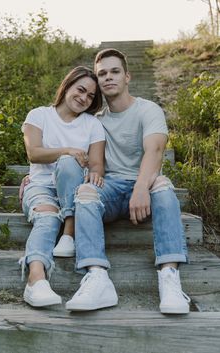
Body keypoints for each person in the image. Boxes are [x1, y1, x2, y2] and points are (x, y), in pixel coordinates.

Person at [64, 49, 190, 314]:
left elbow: (154, 151)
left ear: (127, 76)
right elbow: (69, 151)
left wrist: (141, 188)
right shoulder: (94, 121)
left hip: (144, 185)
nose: (108, 77)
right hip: (110, 190)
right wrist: (34, 174)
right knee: (86, 191)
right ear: (97, 82)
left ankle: (169, 277)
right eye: (102, 74)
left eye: (114, 71)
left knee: (164, 187)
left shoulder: (148, 109)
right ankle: (97, 276)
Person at [20, 66, 105, 307]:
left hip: (76, 191)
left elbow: (97, 165)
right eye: (80, 90)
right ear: (67, 85)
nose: (84, 98)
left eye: (90, 96)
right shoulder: (38, 115)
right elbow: (34, 153)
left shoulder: (92, 124)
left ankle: (69, 233)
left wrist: (94, 176)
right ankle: (36, 280)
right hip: (41, 187)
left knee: (69, 164)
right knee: (46, 219)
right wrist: (67, 150)